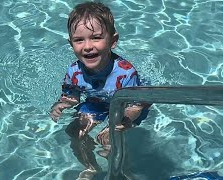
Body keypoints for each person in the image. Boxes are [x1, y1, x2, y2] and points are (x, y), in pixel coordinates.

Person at [50, 1, 151, 179]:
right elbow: (71, 94)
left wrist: (119, 123)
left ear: (113, 41)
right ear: (70, 43)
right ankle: (90, 167)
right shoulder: (74, 71)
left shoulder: (126, 73)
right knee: (74, 131)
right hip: (96, 103)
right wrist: (63, 103)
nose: (87, 46)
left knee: (110, 140)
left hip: (125, 107)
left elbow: (136, 105)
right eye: (79, 40)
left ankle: (122, 169)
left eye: (96, 37)